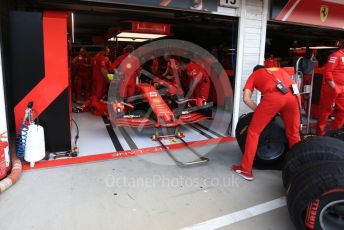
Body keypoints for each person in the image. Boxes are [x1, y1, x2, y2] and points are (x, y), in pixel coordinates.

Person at [232, 65, 301, 181]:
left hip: (275, 97)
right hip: (294, 96)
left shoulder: (254, 75)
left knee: (253, 132)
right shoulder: (280, 70)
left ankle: (246, 170)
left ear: (255, 71)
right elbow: (293, 86)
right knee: (294, 134)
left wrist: (260, 111)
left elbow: (246, 98)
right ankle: (301, 167)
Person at [316, 41, 344, 135]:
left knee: (343, 110)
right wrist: (334, 87)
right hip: (332, 87)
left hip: (342, 88)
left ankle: (335, 132)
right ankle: (320, 133)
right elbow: (328, 72)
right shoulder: (336, 55)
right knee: (326, 111)